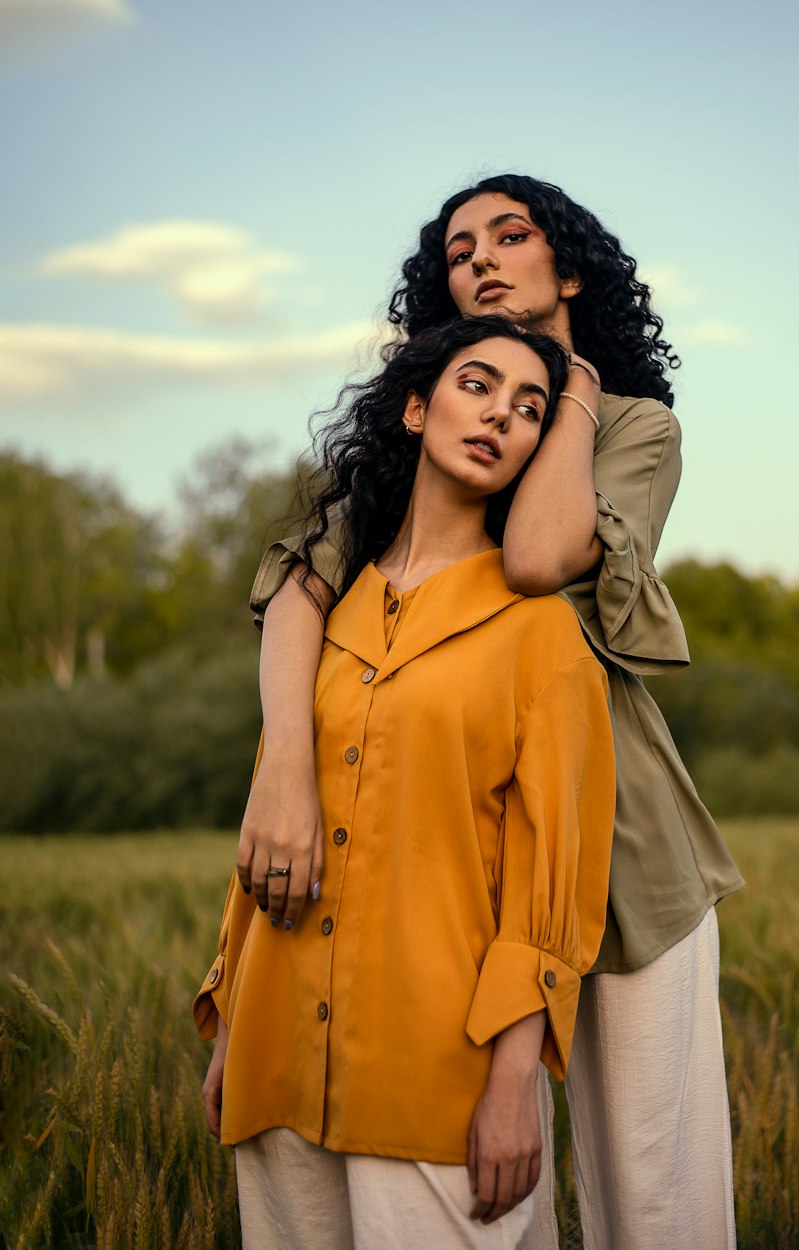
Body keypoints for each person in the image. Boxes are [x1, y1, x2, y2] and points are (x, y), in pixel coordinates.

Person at [238, 175, 745, 1249]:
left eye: (508, 236)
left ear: (568, 272)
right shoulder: (430, 434)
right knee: (485, 1173)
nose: (478, 256)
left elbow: (538, 554)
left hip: (619, 849)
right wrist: (287, 767)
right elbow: (296, 590)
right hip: (461, 858)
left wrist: (565, 392)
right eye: (457, 248)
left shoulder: (630, 424)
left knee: (653, 1194)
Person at [196, 315, 617, 1249]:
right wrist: (232, 1015)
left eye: (528, 409)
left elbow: (551, 880)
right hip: (276, 1053)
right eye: (477, 386)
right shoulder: (321, 614)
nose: (500, 416)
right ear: (418, 407)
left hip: (437, 1075)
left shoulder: (540, 636)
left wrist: (513, 1080)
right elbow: (273, 814)